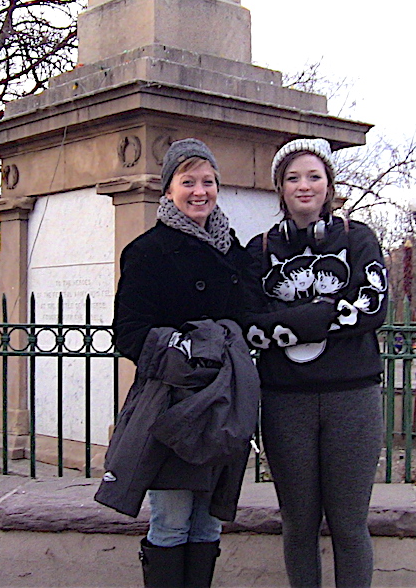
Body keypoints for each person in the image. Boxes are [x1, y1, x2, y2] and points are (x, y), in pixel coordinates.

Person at [106, 138, 258, 588]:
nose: (199, 191)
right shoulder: (147, 251)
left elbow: (250, 317)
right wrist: (183, 352)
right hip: (173, 402)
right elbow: (129, 331)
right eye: (187, 181)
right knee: (171, 521)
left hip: (222, 404)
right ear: (168, 189)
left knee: (209, 523)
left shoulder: (235, 250)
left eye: (207, 181)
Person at [243, 138, 387, 588]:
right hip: (286, 404)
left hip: (353, 400)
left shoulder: (358, 238)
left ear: (328, 185)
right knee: (299, 524)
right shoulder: (259, 250)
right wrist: (327, 313)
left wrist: (291, 321)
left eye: (313, 176)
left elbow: (373, 307)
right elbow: (249, 325)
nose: (303, 185)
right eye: (292, 178)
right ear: (280, 189)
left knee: (348, 524)